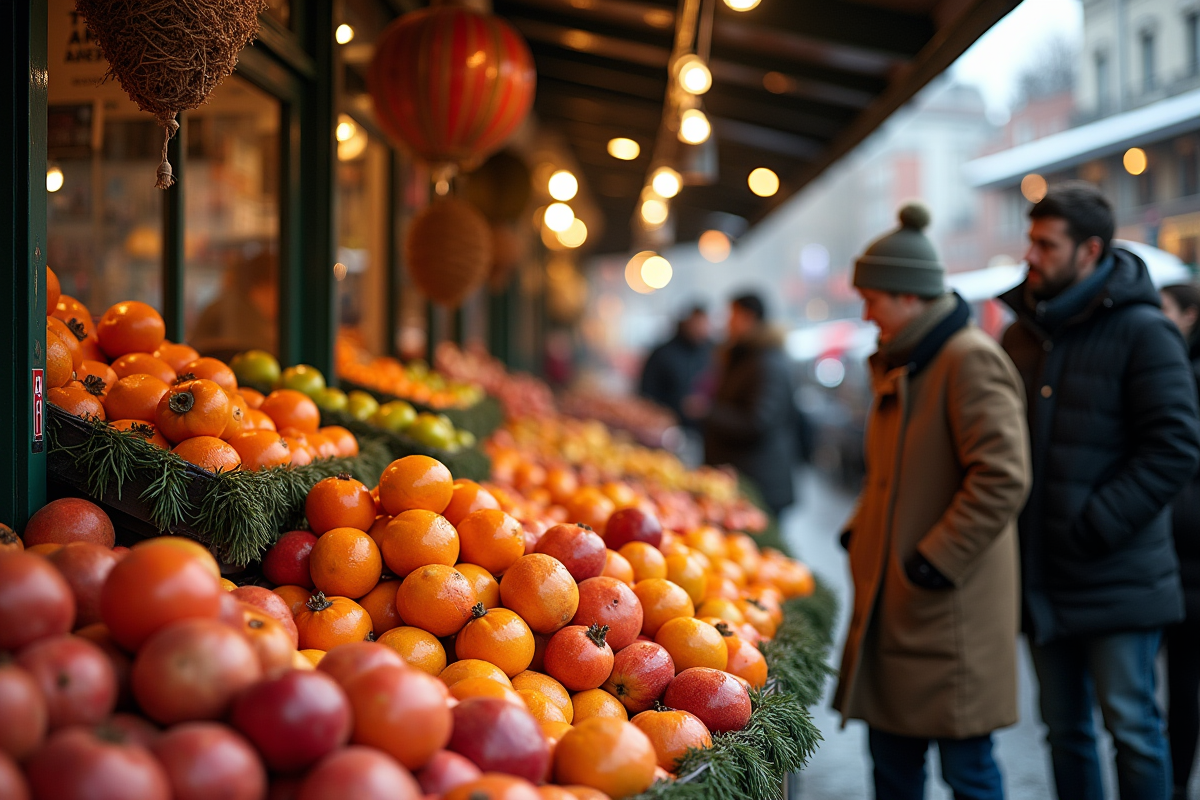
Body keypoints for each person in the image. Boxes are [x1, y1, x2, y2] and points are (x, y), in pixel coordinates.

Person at [999, 182, 1200, 800]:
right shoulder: (1021, 336)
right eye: (1029, 240)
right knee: (1064, 733)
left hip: (1118, 574)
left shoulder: (1145, 331)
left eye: (1045, 244)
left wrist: (1096, 523)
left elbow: (1174, 448)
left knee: (1134, 729)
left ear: (1089, 250)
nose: (1030, 255)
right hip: (1043, 577)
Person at [833, 203, 1031, 800]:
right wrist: (859, 529)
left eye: (874, 299)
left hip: (948, 609)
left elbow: (1003, 476)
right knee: (891, 761)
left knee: (967, 768)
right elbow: (889, 475)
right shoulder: (907, 362)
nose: (866, 314)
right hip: (900, 602)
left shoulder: (967, 360)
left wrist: (935, 559)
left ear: (911, 296)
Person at [703, 292, 795, 517]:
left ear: (748, 317)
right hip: (743, 474)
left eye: (731, 315)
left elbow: (757, 421)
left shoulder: (766, 362)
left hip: (760, 481)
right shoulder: (744, 357)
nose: (727, 322)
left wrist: (708, 413)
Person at [1160, 282, 1200, 799]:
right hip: (1180, 560)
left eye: (1165, 311)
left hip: (1188, 552)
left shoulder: (1185, 376)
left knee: (1183, 685)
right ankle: (1174, 783)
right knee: (1181, 686)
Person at [638, 304, 713, 430]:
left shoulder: (712, 352)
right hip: (665, 426)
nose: (700, 328)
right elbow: (646, 392)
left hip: (702, 429)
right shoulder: (663, 353)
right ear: (686, 322)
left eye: (703, 324)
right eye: (697, 323)